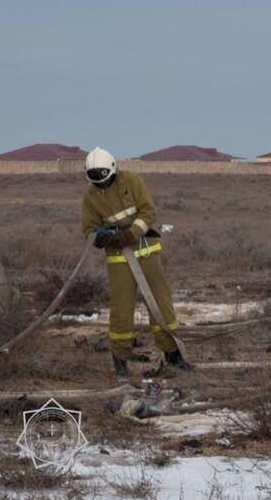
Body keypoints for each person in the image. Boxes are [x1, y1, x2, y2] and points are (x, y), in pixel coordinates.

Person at [81, 146, 191, 376]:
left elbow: (148, 211)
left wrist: (130, 234)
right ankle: (120, 361)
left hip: (146, 251)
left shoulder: (131, 182)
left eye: (104, 180)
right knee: (121, 310)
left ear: (112, 170)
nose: (101, 185)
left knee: (160, 304)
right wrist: (102, 237)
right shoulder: (91, 197)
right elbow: (89, 229)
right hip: (119, 260)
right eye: (97, 182)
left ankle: (173, 355)